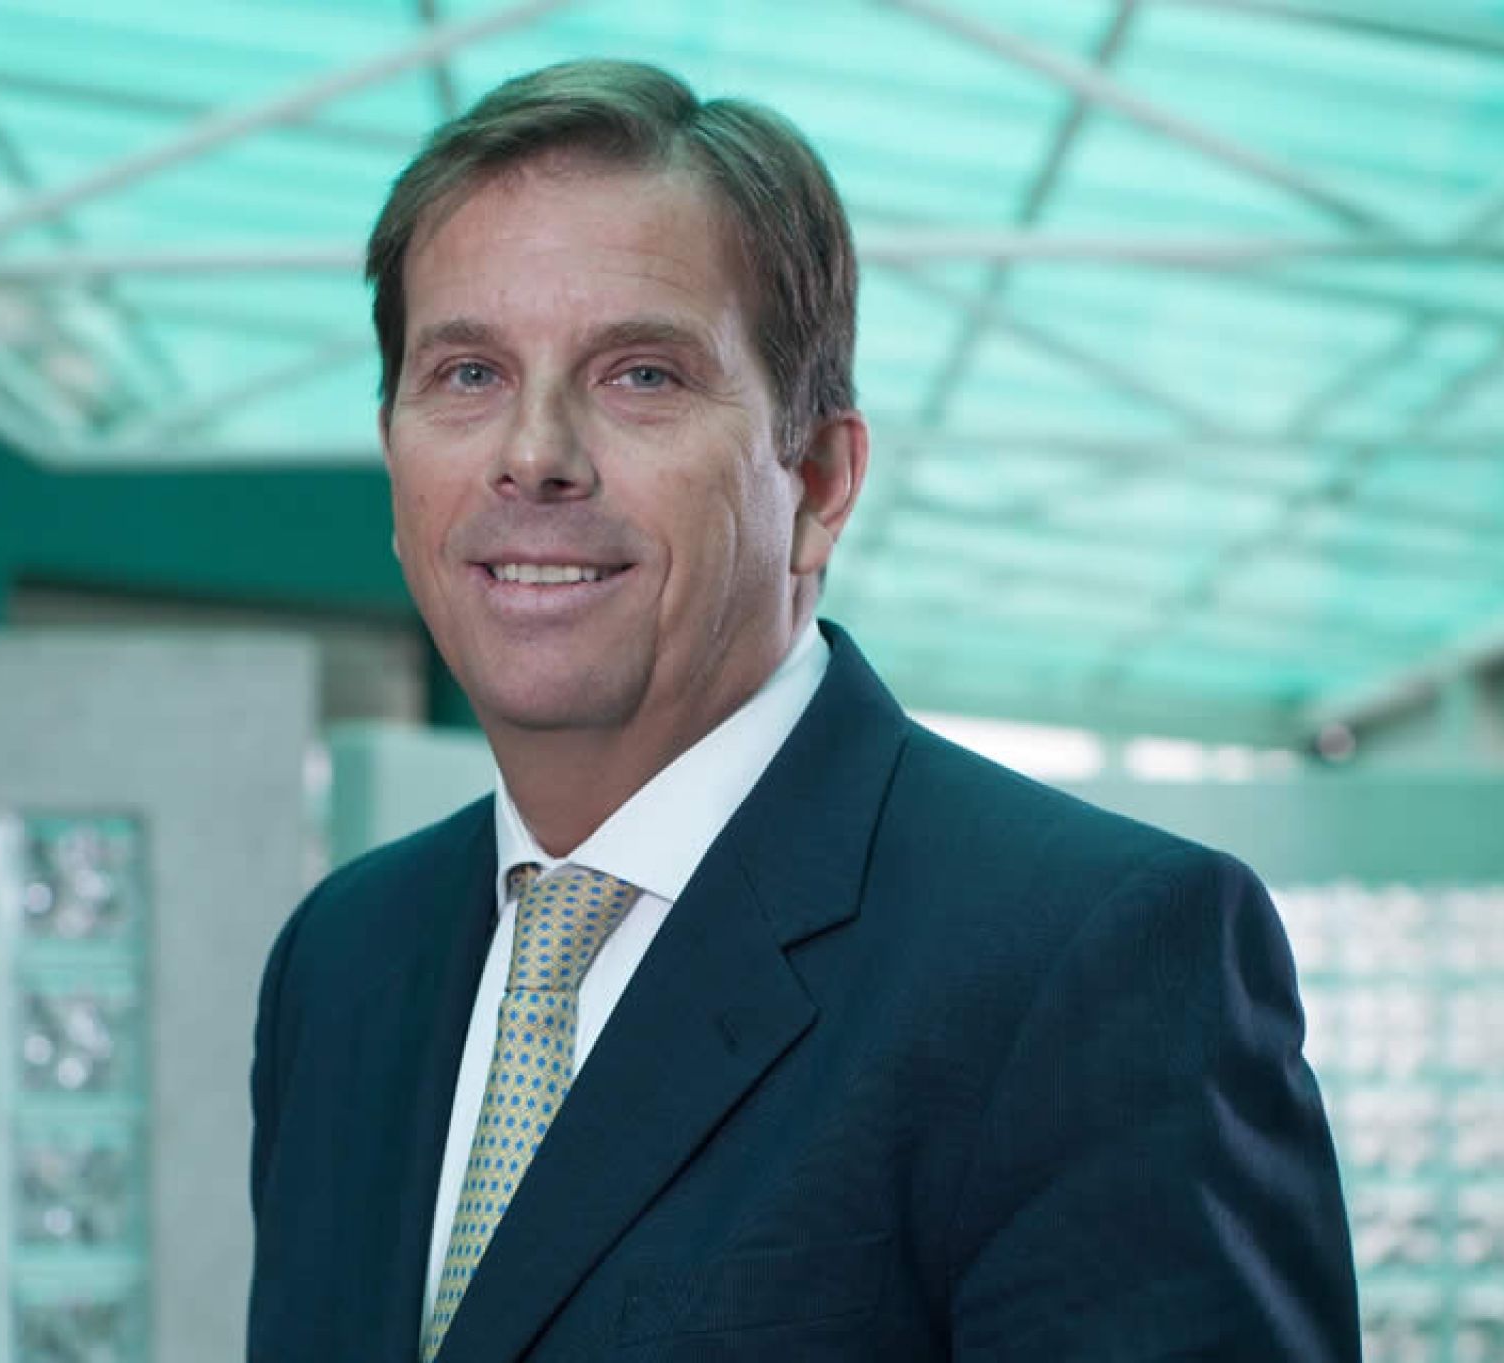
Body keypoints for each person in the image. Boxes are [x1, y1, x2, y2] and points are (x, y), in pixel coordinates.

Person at [248, 59, 1358, 1363]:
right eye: (468, 373)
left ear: (820, 481)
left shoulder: (1088, 965)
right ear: (395, 461)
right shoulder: (343, 958)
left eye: (641, 375)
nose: (532, 454)